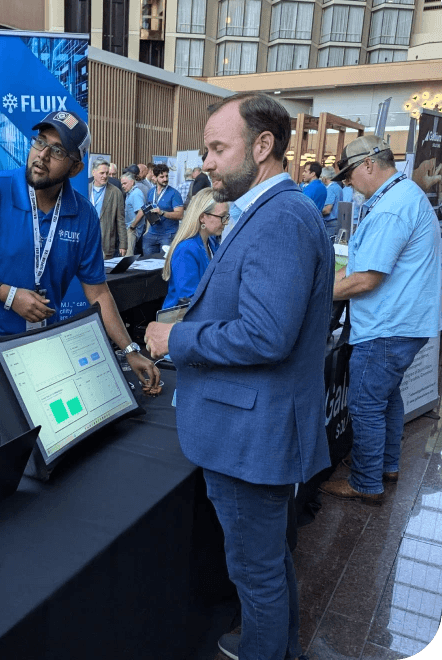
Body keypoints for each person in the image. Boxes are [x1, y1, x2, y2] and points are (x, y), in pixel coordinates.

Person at [144, 92, 333, 660]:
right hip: (255, 426)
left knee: (254, 568)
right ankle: (276, 647)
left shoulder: (280, 218)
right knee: (267, 560)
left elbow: (266, 335)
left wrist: (175, 338)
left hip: (253, 434)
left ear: (264, 146)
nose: (206, 162)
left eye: (217, 148)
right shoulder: (276, 211)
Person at [0, 111, 160, 429]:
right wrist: (8, 294)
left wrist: (130, 349)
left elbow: (98, 291)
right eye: (40, 141)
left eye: (57, 150)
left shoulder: (82, 215)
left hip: (43, 360)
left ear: (76, 167)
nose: (42, 155)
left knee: (41, 457)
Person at [320, 135, 441, 505]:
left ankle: (365, 482)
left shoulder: (391, 207)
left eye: (349, 174)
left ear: (369, 165)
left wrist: (317, 293)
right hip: (404, 323)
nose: (347, 183)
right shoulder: (402, 194)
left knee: (366, 405)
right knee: (386, 399)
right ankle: (387, 466)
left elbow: (367, 279)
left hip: (388, 326)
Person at [161, 189, 228, 310]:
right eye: (222, 217)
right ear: (202, 217)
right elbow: (189, 298)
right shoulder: (186, 249)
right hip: (181, 320)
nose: (226, 222)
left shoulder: (211, 242)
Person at [142, 163, 184, 255]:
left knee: (163, 265)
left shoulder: (174, 193)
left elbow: (180, 215)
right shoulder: (151, 192)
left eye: (166, 176)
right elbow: (149, 211)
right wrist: (147, 231)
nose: (165, 179)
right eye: (162, 177)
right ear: (155, 178)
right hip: (151, 234)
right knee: (148, 264)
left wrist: (162, 213)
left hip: (168, 235)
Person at [88, 159, 126, 258]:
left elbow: (120, 220)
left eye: (107, 173)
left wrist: (123, 244)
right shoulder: (85, 189)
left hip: (106, 241)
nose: (105, 176)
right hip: (87, 239)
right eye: (102, 173)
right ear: (93, 172)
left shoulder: (115, 192)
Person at [121, 171, 146, 256]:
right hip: (130, 228)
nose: (123, 186)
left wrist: (132, 226)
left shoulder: (136, 193)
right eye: (122, 184)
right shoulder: (130, 193)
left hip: (133, 230)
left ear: (132, 182)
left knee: (128, 255)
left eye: (125, 183)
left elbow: (141, 211)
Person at [320, 165, 343, 239]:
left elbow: (327, 210)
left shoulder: (330, 189)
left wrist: (317, 212)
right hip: (337, 221)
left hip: (330, 223)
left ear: (324, 178)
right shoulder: (338, 188)